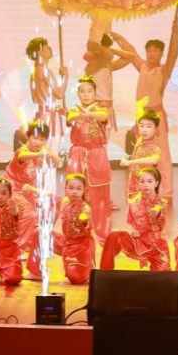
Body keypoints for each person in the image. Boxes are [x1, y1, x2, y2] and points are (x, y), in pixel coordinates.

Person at [113, 11, 178, 197]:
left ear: (161, 53)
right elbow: (130, 51)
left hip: (157, 117)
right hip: (142, 117)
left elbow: (173, 54)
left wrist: (176, 33)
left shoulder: (164, 70)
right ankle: (140, 187)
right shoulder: (142, 66)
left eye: (156, 50)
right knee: (140, 152)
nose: (152, 53)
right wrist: (117, 37)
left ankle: (165, 191)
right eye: (149, 50)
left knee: (162, 154)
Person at [4, 120, 58, 279]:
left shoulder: (42, 153)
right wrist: (40, 154)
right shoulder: (22, 151)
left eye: (42, 139)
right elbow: (22, 156)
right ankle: (18, 248)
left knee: (53, 206)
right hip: (14, 191)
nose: (38, 142)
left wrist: (52, 155)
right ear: (27, 138)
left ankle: (32, 244)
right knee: (30, 215)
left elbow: (58, 162)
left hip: (30, 192)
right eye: (35, 138)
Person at [67, 77, 112, 241]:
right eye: (82, 91)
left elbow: (103, 117)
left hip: (97, 155)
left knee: (100, 197)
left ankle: (102, 234)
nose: (86, 95)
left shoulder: (103, 110)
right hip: (77, 154)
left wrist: (90, 113)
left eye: (89, 91)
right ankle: (76, 231)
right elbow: (70, 119)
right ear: (78, 93)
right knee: (75, 193)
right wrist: (81, 114)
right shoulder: (74, 110)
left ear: (95, 92)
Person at [100, 166, 171, 271]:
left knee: (162, 275)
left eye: (149, 181)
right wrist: (133, 231)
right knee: (114, 236)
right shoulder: (133, 202)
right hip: (138, 242)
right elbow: (130, 222)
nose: (145, 185)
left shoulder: (162, 202)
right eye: (142, 181)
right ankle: (105, 272)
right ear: (138, 183)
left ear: (156, 183)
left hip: (157, 247)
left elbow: (159, 216)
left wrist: (156, 212)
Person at [84, 33, 129, 139]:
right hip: (96, 109)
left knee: (103, 144)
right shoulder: (93, 65)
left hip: (106, 108)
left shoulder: (108, 64)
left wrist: (110, 49)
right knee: (96, 144)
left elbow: (129, 57)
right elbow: (106, 55)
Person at [55, 173, 95, 285]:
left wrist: (84, 220)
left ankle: (87, 267)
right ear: (65, 188)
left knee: (76, 279)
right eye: (71, 188)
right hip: (65, 242)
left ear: (84, 190)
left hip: (81, 246)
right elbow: (50, 196)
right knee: (39, 233)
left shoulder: (85, 208)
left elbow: (88, 227)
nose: (74, 192)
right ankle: (36, 272)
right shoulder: (64, 202)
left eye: (78, 188)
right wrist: (33, 190)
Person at [26, 37, 69, 139]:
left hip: (41, 116)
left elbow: (34, 99)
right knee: (51, 146)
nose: (50, 48)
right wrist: (66, 76)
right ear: (39, 52)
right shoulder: (45, 71)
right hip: (50, 118)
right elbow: (59, 94)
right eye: (46, 47)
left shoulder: (34, 73)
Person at [124, 108, 164, 196]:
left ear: (156, 129)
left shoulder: (155, 148)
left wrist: (130, 162)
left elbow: (154, 160)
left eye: (149, 126)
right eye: (142, 126)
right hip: (133, 183)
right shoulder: (140, 140)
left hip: (146, 188)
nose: (144, 130)